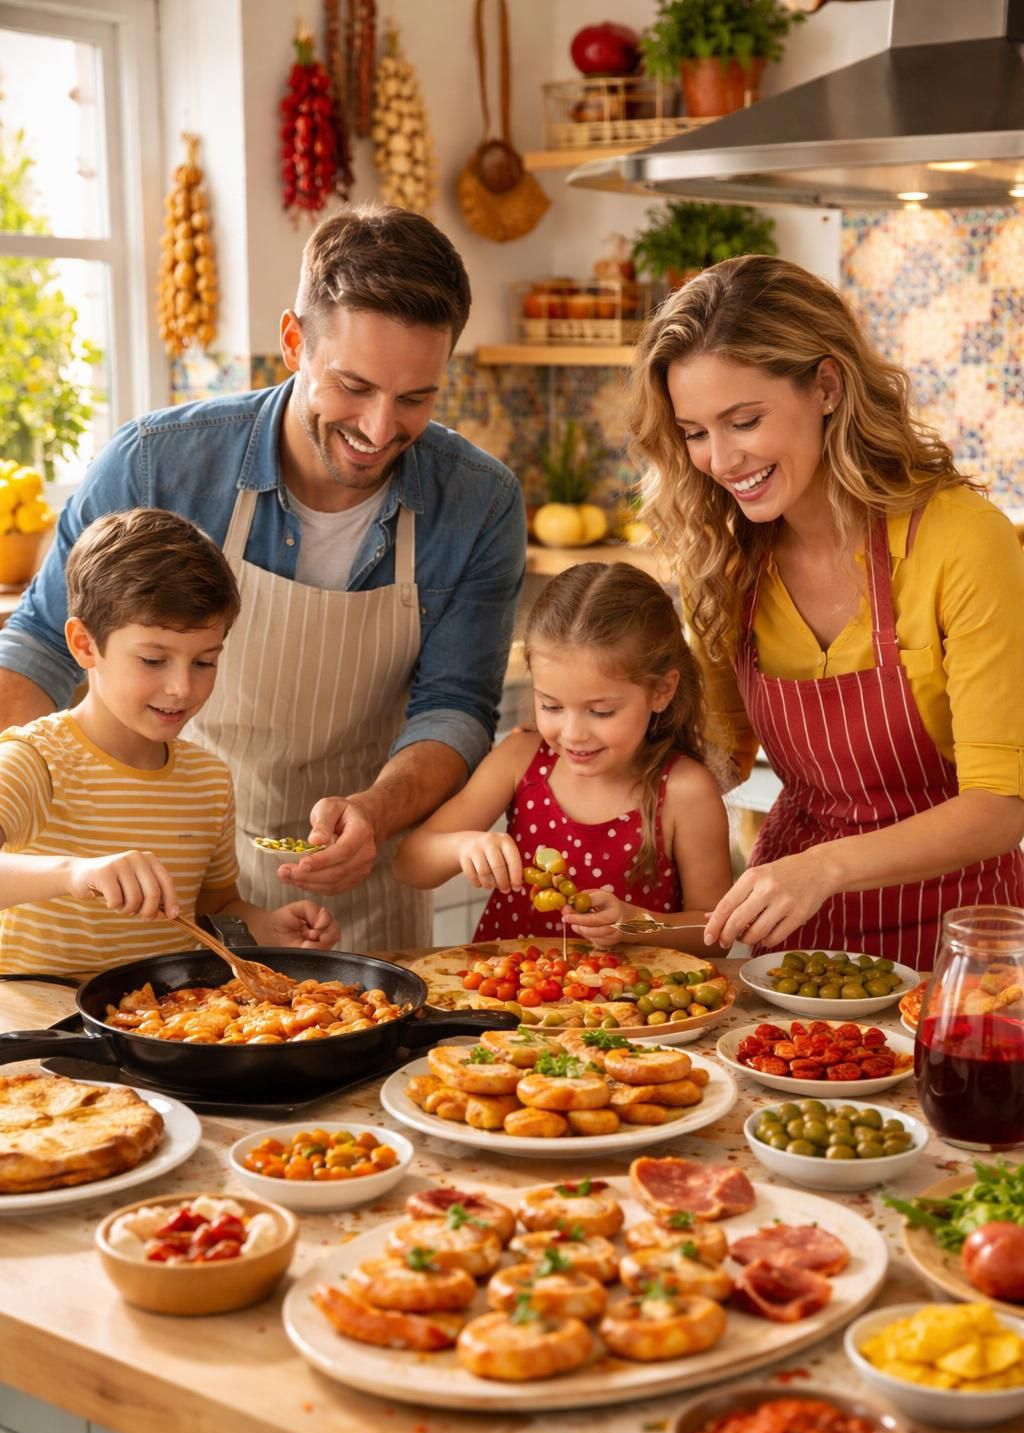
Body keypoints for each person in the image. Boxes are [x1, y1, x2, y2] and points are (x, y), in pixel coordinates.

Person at [0, 205, 525, 951]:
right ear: (293, 343)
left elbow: (456, 707)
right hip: (159, 882)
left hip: (355, 894)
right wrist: (36, 832)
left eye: (415, 398)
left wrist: (375, 812)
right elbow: (41, 647)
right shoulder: (156, 464)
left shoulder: (479, 501)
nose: (380, 429)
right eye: (353, 386)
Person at [627, 253, 1024, 971]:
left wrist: (825, 868)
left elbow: (1000, 806)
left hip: (956, 945)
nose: (720, 460)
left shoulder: (962, 539)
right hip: (791, 947)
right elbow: (719, 757)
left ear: (827, 387)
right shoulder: (726, 557)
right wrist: (596, 766)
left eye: (744, 421)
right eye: (694, 432)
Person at [0, 509, 339, 980]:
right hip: (39, 1015)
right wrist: (73, 874)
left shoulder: (208, 780)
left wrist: (265, 925)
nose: (181, 688)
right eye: (153, 660)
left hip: (163, 1015)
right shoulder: (35, 760)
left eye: (204, 663)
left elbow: (215, 908)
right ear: (85, 644)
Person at [394, 561, 732, 952]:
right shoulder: (520, 758)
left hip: (628, 991)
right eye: (551, 706)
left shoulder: (686, 791)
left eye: (601, 712)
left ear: (662, 691)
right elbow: (409, 864)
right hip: (503, 988)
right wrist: (463, 847)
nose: (572, 734)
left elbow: (715, 935)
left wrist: (635, 924)